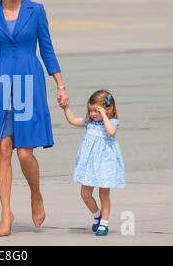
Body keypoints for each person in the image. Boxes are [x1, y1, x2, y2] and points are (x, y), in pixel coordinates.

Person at [0, 0, 69, 237]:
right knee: (3, 148)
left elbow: (48, 50)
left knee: (24, 151)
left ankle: (36, 195)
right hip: (1, 79)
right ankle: (6, 213)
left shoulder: (36, 10)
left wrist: (60, 85)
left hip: (30, 79)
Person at [61, 90, 125, 236]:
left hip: (105, 163)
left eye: (97, 111)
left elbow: (111, 132)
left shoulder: (112, 122)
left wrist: (104, 116)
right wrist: (66, 108)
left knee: (104, 193)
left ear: (107, 109)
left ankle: (104, 223)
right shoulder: (89, 122)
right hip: (89, 164)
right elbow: (73, 120)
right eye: (91, 111)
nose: (93, 114)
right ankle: (97, 215)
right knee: (85, 193)